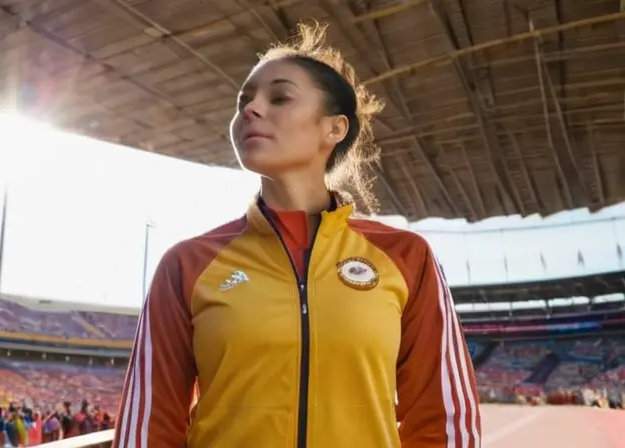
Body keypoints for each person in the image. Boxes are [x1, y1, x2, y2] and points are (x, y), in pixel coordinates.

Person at [112, 22, 481, 448]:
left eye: (280, 97)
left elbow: (444, 421)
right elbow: (148, 426)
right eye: (243, 101)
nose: (250, 109)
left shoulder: (405, 257)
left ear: (334, 129)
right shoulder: (188, 264)